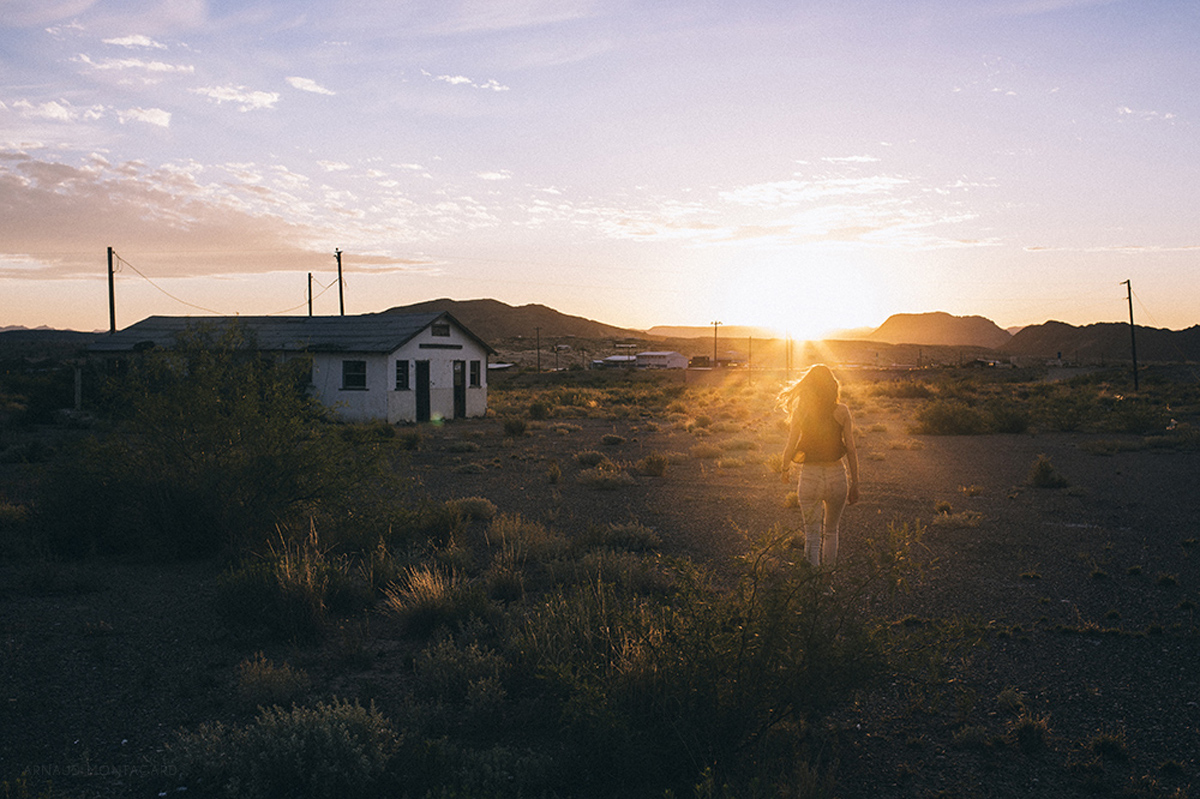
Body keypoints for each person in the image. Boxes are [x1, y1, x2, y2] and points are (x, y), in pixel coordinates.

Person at [779, 364, 859, 567]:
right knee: (831, 532)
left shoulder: (801, 412)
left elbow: (790, 444)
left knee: (812, 536)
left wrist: (785, 469)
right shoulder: (842, 411)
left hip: (810, 477)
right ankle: (826, 585)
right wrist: (855, 483)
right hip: (837, 476)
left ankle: (811, 585)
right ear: (831, 386)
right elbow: (851, 449)